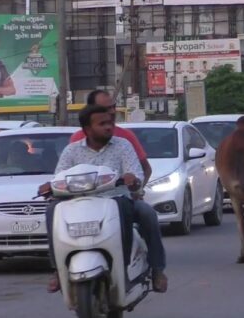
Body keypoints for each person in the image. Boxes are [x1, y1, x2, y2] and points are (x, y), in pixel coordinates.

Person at [39, 105, 168, 294]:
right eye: (102, 124)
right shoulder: (71, 151)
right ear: (87, 129)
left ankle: (156, 269)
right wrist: (50, 186)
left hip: (117, 200)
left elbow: (136, 173)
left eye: (110, 123)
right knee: (52, 210)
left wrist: (133, 180)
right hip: (78, 205)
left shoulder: (123, 145)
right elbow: (60, 177)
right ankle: (58, 270)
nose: (108, 127)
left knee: (147, 213)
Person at [70, 90, 152, 186]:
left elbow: (144, 170)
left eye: (113, 107)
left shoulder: (125, 140)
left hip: (119, 194)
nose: (112, 111)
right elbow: (62, 177)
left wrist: (135, 188)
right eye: (106, 108)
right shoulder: (75, 143)